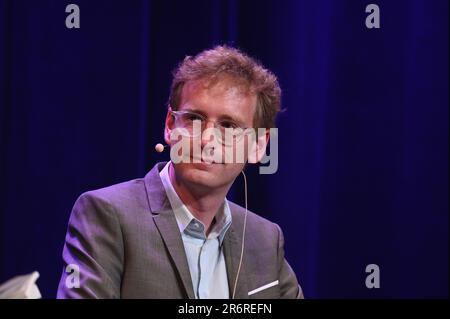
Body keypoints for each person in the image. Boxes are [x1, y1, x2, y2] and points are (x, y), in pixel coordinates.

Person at [57, 45, 303, 299]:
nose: (206, 139)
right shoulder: (107, 215)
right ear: (170, 125)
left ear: (258, 146)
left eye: (228, 126)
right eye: (194, 119)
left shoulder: (264, 239)